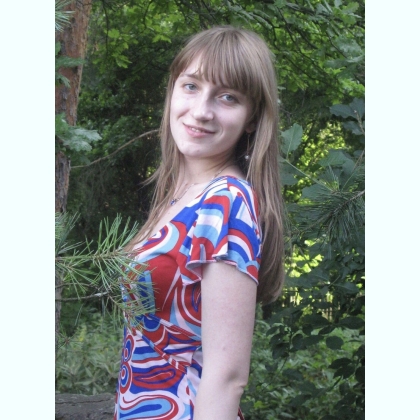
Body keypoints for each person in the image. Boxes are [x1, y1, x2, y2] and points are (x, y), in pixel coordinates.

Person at [114, 26, 285, 420]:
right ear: (173, 90)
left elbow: (227, 376)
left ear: (252, 118)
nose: (202, 110)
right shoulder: (179, 194)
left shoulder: (225, 201)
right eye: (191, 86)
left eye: (228, 97)